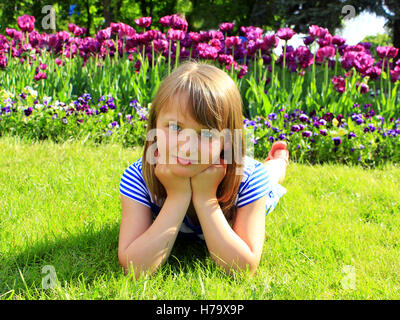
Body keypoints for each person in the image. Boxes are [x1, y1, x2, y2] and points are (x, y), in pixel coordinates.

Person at [118, 61, 289, 279]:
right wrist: (178, 196)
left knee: (271, 178)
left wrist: (206, 198)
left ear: (227, 140)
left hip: (247, 177)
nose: (186, 146)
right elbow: (135, 268)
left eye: (206, 134)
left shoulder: (250, 179)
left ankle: (279, 160)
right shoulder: (137, 178)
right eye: (175, 127)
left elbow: (243, 269)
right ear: (154, 126)